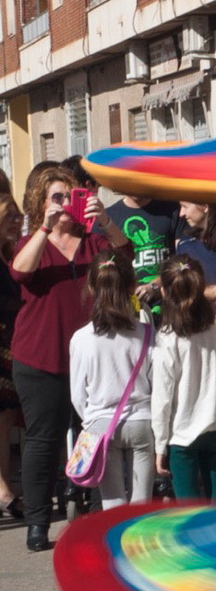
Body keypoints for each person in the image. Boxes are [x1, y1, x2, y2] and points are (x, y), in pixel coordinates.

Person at [9, 167, 126, 551]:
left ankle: (96, 516)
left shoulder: (93, 242)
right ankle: (38, 523)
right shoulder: (29, 241)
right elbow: (19, 272)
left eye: (69, 196)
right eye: (56, 197)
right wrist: (44, 228)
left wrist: (105, 220)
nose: (63, 204)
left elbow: (126, 256)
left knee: (93, 437)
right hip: (40, 357)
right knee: (43, 441)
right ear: (41, 203)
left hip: (92, 359)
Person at [68, 253, 154, 510]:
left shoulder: (80, 339)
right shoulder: (147, 333)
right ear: (132, 286)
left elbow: (77, 395)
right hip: (142, 421)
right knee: (141, 505)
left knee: (112, 503)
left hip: (100, 425)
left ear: (91, 287)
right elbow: (157, 383)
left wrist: (92, 419)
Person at [153, 256, 216, 502]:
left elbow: (162, 398)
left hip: (182, 435)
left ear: (164, 292)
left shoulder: (167, 339)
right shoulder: (214, 331)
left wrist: (159, 445)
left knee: (188, 507)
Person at [104, 193, 189, 316]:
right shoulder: (108, 218)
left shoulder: (172, 210)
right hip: (127, 311)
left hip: (171, 308)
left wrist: (154, 286)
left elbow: (183, 261)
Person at [0, 194, 24, 519]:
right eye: (9, 216)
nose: (16, 221)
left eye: (17, 216)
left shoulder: (12, 255)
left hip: (10, 343)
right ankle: (3, 490)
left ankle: (3, 486)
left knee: (5, 418)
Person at [177, 201, 216, 286]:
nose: (181, 214)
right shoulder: (185, 245)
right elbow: (181, 289)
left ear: (205, 206)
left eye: (185, 206)